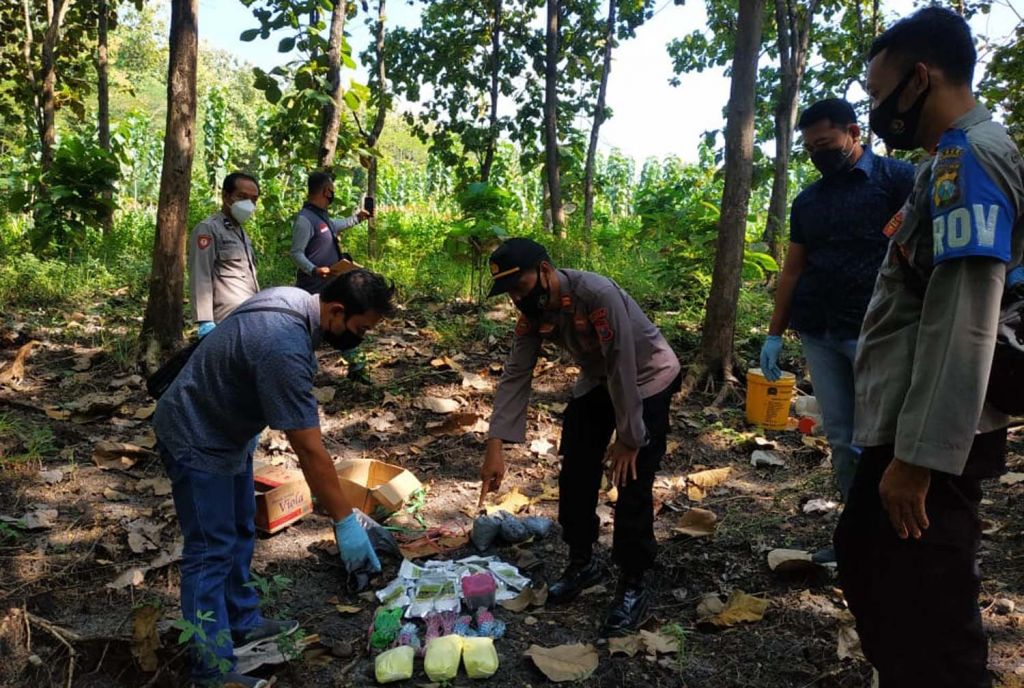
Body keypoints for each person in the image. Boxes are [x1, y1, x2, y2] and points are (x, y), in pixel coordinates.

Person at [834, 8, 1024, 687]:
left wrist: (919, 459)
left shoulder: (971, 160)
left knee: (933, 609)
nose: (876, 110)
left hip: (937, 431)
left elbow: (964, 318)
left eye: (880, 93)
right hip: (910, 414)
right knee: (868, 563)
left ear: (921, 78)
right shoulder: (945, 160)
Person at [154, 270, 397, 688]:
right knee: (209, 550)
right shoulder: (285, 348)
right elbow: (309, 449)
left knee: (239, 529)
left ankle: (242, 621)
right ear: (336, 311)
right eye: (360, 329)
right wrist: (345, 522)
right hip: (196, 436)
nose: (361, 338)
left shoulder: (294, 299)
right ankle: (211, 671)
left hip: (227, 431)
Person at [478, 238, 681, 637]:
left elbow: (623, 362)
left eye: (521, 286)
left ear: (545, 272)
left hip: (648, 377)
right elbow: (516, 373)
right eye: (511, 293)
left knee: (631, 476)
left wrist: (629, 436)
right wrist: (495, 445)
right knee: (575, 467)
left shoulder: (596, 294)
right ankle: (582, 559)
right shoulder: (533, 313)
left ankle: (634, 578)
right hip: (601, 380)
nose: (518, 299)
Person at [760, 98, 915, 561]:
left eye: (825, 143)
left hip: (880, 331)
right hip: (820, 331)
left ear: (853, 132)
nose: (818, 154)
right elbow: (792, 269)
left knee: (884, 439)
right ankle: (858, 535)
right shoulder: (809, 201)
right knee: (843, 438)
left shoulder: (897, 180)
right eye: (809, 148)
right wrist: (774, 332)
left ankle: (900, 538)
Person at [290, 171, 372, 383]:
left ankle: (357, 368)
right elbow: (296, 253)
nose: (333, 194)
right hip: (313, 286)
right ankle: (302, 374)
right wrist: (315, 269)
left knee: (345, 321)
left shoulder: (321, 216)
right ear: (326, 191)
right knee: (310, 331)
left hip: (331, 283)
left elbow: (335, 225)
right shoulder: (305, 220)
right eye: (332, 190)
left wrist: (357, 218)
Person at [189, 172, 261, 339]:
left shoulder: (241, 232)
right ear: (226, 197)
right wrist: (205, 321)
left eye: (253, 200)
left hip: (248, 316)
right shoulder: (208, 229)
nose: (249, 204)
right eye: (242, 197)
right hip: (224, 320)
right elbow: (200, 275)